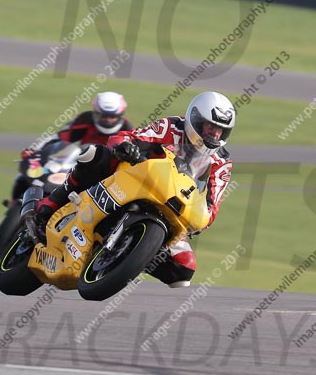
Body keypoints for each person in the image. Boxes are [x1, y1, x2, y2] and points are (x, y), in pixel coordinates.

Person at [35, 91, 235, 288]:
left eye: (221, 130)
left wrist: (200, 220)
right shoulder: (171, 127)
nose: (215, 134)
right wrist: (125, 146)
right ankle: (54, 200)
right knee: (97, 154)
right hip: (138, 179)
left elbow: (212, 206)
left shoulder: (222, 163)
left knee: (184, 269)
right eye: (211, 126)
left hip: (173, 205)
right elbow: (126, 136)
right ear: (196, 119)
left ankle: (127, 259)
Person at [14, 92, 132, 199]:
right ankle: (14, 201)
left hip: (103, 175)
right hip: (75, 163)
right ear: (96, 113)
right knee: (26, 173)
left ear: (120, 115)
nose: (108, 120)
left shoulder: (127, 130)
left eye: (112, 117)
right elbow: (59, 137)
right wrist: (35, 150)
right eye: (103, 116)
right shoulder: (84, 119)